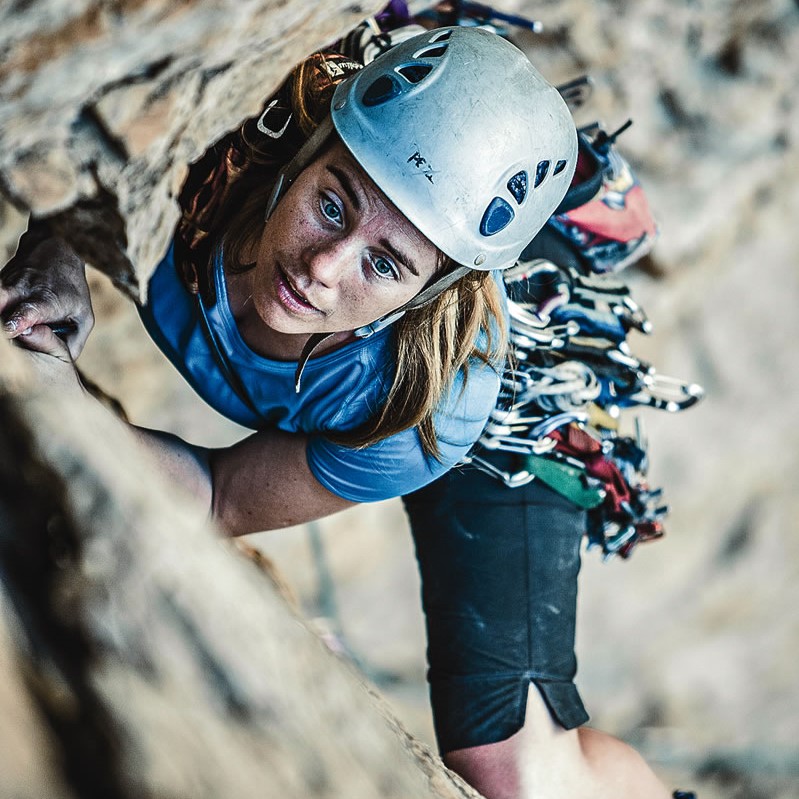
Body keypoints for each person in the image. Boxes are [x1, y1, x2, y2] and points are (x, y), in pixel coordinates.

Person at [2, 16, 695, 799]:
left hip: (510, 407)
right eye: (332, 205)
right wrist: (54, 241)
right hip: (392, 207)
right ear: (305, 155)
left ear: (426, 293)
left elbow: (224, 493)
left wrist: (75, 416)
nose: (323, 268)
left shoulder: (436, 402)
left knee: (516, 772)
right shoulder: (222, 146)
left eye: (384, 262)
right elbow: (72, 129)